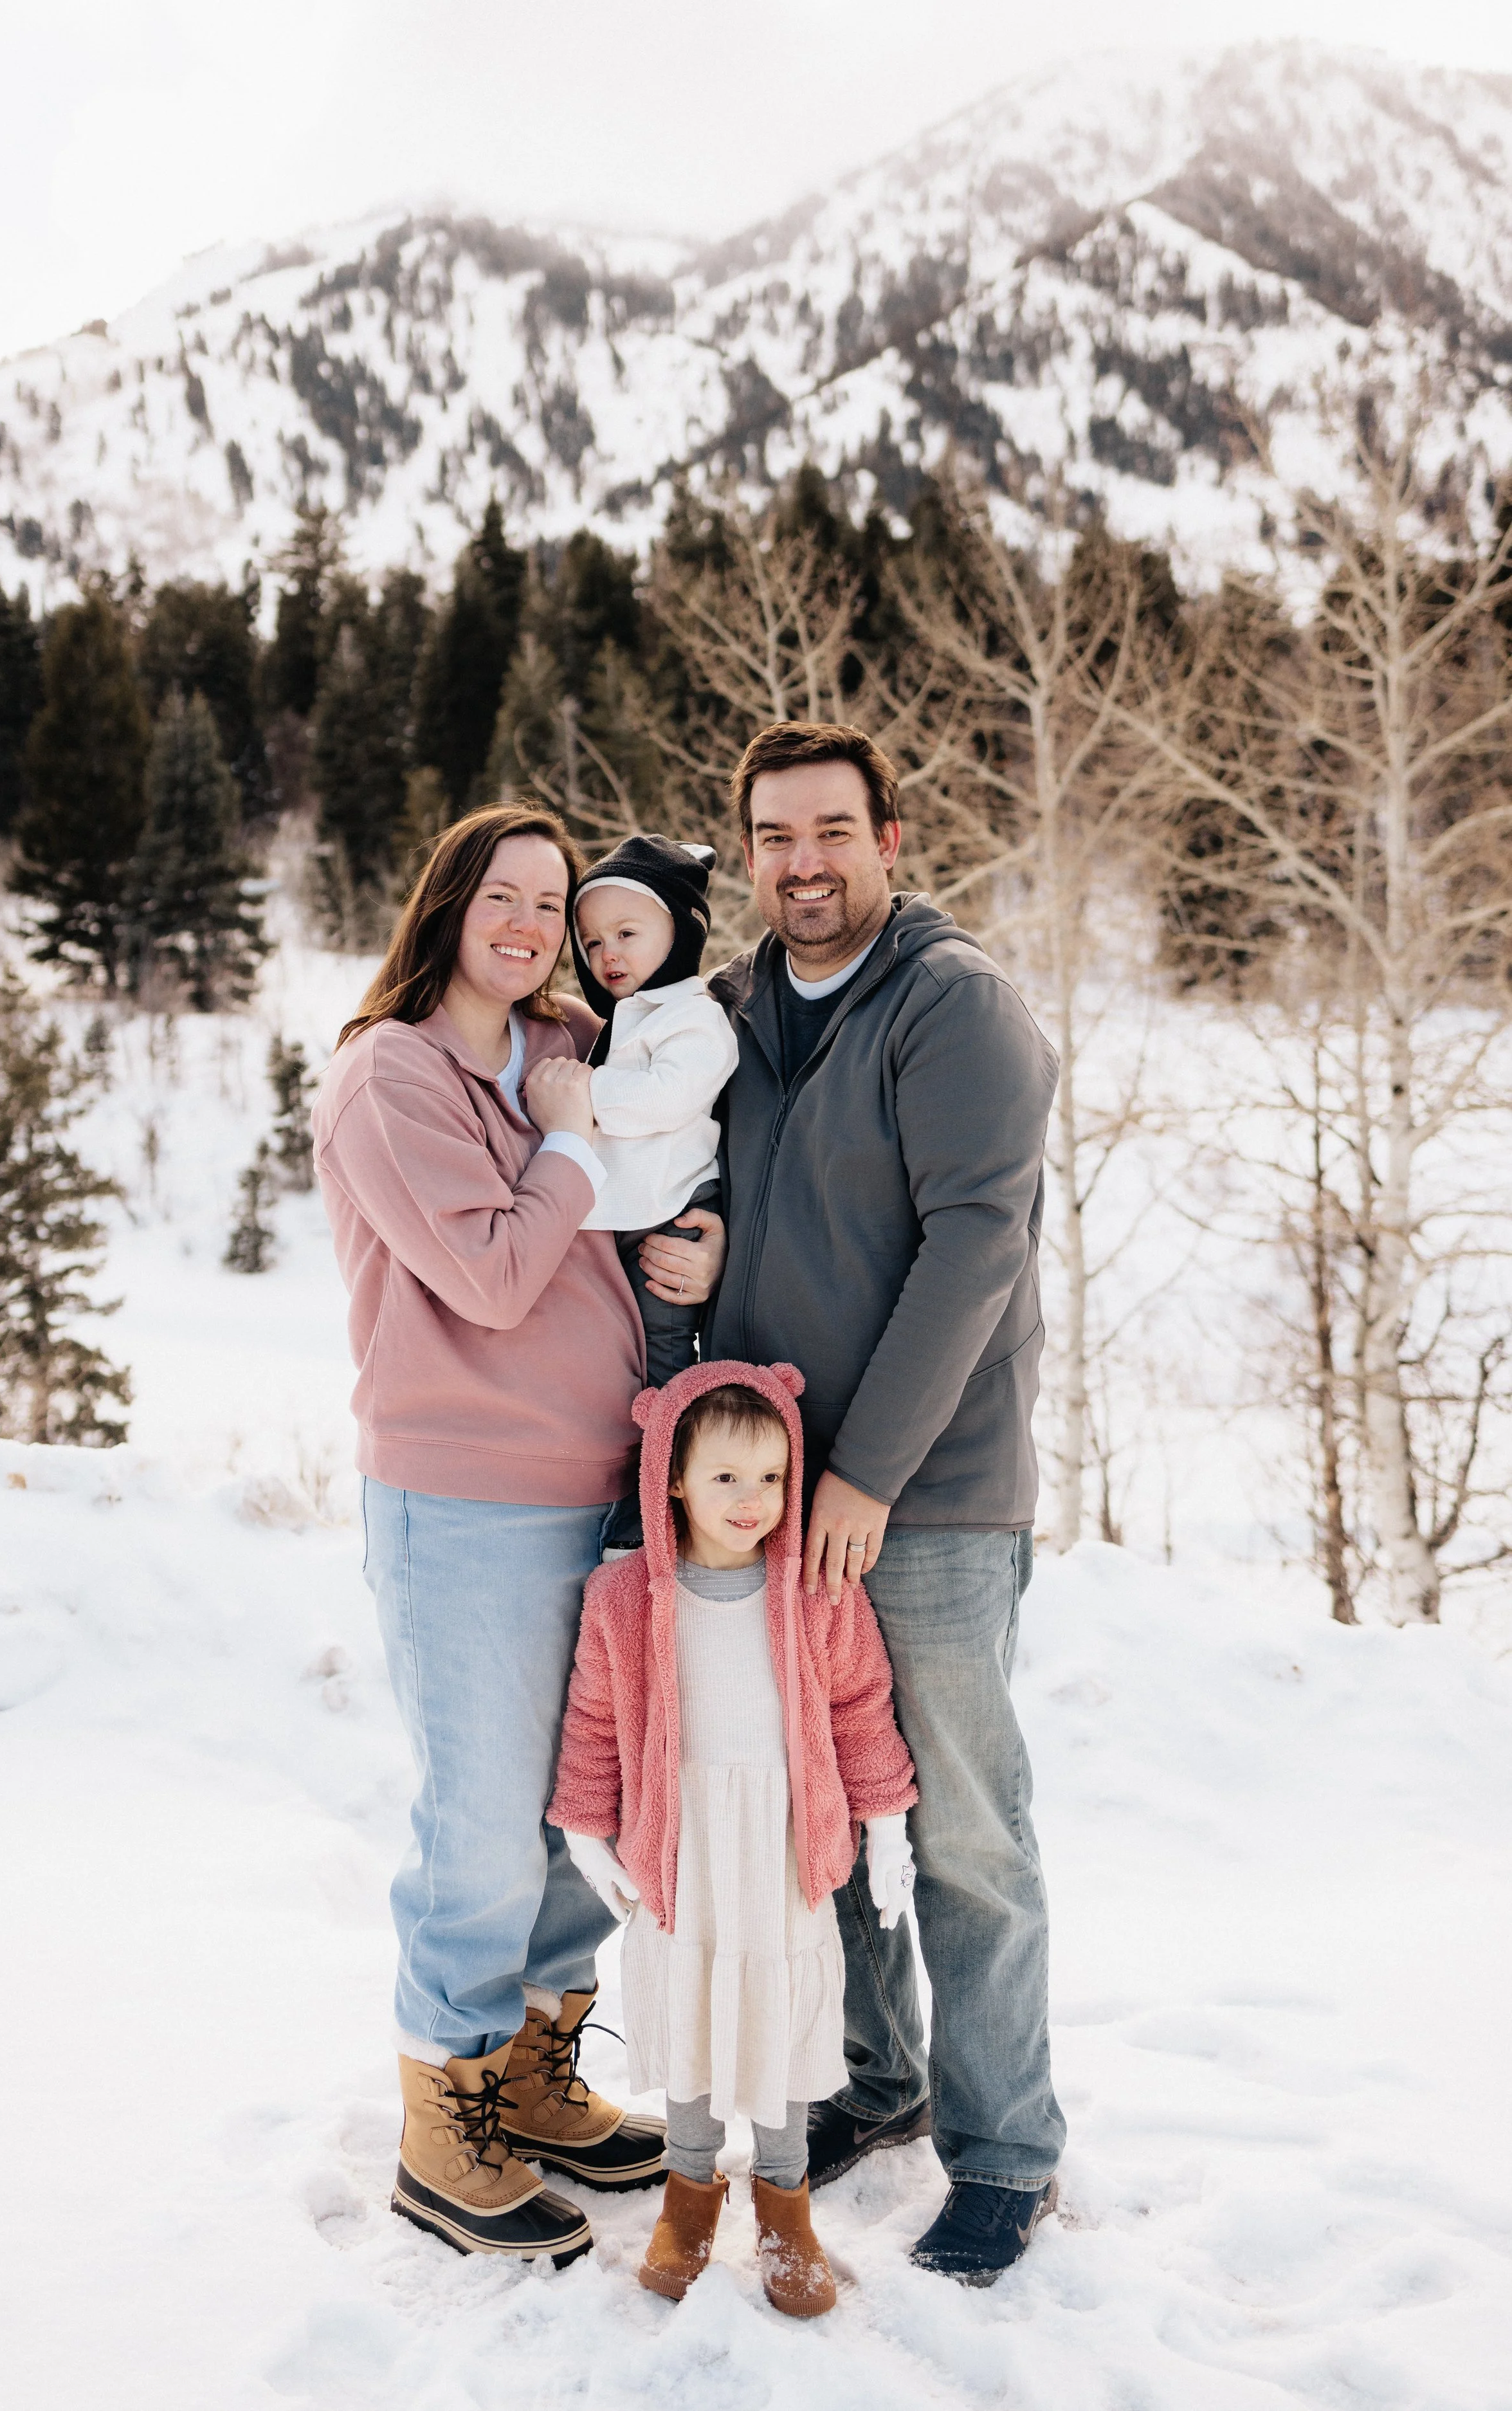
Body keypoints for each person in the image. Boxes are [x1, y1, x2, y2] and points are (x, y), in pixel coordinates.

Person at [311, 803, 724, 2269]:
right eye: (505, 893)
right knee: (482, 1819)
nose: (532, 922)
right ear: (447, 902)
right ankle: (448, 2114)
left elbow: (631, 1185)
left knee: (570, 1812)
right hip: (466, 1495)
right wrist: (563, 1150)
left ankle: (536, 2070)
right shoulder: (390, 1078)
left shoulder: (562, 1046)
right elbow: (490, 1273)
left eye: (553, 902)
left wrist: (686, 1241)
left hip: (601, 1476)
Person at [703, 722, 1066, 2286]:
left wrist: (867, 1474)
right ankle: (881, 2076)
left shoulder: (953, 1004)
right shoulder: (726, 1013)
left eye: (833, 829)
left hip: (928, 1496)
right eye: (776, 834)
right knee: (819, 1824)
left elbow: (973, 1247)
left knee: (965, 1829)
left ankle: (1003, 2147)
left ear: (892, 840)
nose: (804, 860)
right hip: (772, 1499)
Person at [547, 1361, 917, 2317]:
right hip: (684, 1847)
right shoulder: (624, 1598)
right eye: (724, 1478)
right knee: (696, 2007)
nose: (750, 1501)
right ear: (672, 1476)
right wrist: (589, 1831)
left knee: (781, 2013)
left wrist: (885, 1830)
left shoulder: (818, 1595)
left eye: (769, 1478)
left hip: (783, 1848)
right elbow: (593, 1721)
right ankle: (691, 2192)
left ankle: (785, 2204)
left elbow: (861, 1711)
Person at [566, 833, 739, 1547]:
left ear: (680, 931)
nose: (609, 953)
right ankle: (641, 1487)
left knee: (667, 1367)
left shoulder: (695, 1017)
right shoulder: (623, 1021)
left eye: (629, 934)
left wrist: (581, 1092)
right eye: (593, 940)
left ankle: (655, 1511)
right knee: (628, 1367)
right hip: (631, 1217)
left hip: (673, 1217)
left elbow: (668, 1098)